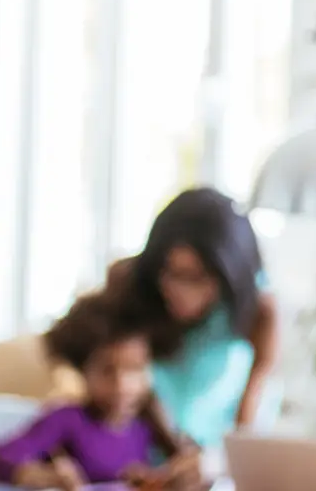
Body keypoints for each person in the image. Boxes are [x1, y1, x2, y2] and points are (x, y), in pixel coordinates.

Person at [106, 187, 280, 451]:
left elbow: (246, 428)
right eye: (169, 272)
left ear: (226, 276)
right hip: (141, 450)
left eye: (196, 277)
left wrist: (212, 462)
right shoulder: (131, 286)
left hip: (212, 457)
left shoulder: (258, 311)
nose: (179, 289)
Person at [0, 292, 202, 491]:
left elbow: (186, 456)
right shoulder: (66, 419)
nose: (123, 385)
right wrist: (45, 476)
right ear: (83, 371)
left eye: (135, 369)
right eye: (107, 371)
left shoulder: (148, 420)